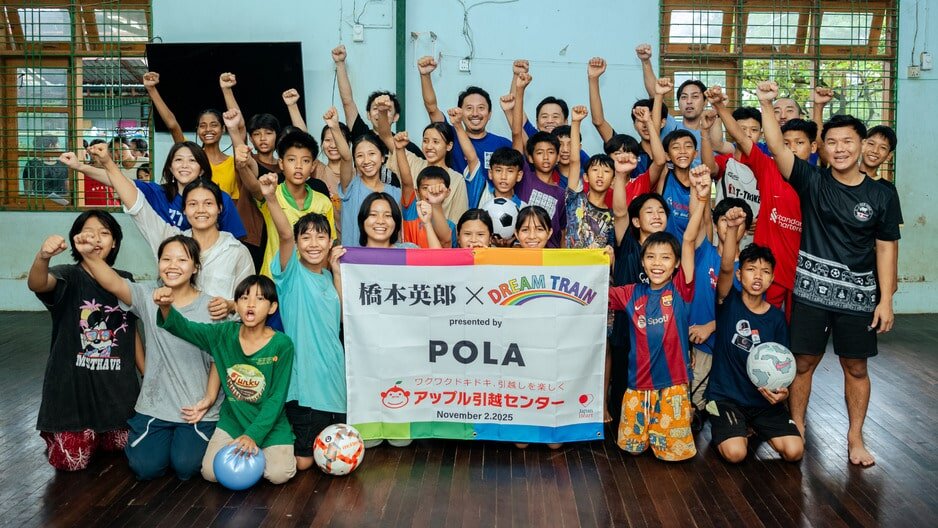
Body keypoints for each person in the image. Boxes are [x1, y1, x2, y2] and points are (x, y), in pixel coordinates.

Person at [758, 80, 901, 467]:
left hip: (858, 298)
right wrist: (766, 103)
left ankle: (855, 437)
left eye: (848, 142)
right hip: (811, 294)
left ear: (861, 146)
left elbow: (887, 247)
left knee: (856, 367)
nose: (840, 149)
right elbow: (775, 146)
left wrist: (886, 299)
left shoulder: (882, 194)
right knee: (803, 363)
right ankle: (799, 427)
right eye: (832, 142)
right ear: (822, 146)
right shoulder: (812, 181)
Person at [75, 233, 222, 480]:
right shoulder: (147, 296)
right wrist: (89, 255)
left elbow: (219, 358)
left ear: (195, 266)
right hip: (156, 406)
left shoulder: (212, 308)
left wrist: (208, 400)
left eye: (181, 260)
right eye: (166, 259)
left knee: (185, 466)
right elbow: (113, 282)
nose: (172, 266)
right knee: (146, 468)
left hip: (196, 409)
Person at [607, 165, 711, 461]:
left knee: (672, 458)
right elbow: (593, 293)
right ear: (642, 261)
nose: (657, 263)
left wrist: (701, 199)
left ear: (677, 264)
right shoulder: (630, 293)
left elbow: (689, 239)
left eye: (665, 258)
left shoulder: (681, 288)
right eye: (651, 257)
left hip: (673, 387)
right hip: (637, 388)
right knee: (631, 450)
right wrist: (600, 264)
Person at [155, 275, 297, 485]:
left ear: (272, 307)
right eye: (244, 297)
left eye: (259, 299)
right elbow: (184, 328)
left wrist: (253, 436)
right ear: (236, 305)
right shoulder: (223, 334)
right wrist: (166, 307)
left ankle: (258, 457)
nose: (250, 304)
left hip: (271, 423)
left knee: (279, 474)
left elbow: (276, 398)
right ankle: (252, 461)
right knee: (210, 472)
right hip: (233, 421)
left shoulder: (282, 344)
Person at [27, 210, 140, 471]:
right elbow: (38, 283)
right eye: (90, 232)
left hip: (116, 396)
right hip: (71, 397)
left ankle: (99, 433)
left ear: (115, 242)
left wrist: (149, 377)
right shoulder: (68, 274)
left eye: (105, 233)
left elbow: (131, 334)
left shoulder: (125, 280)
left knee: (121, 449)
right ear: (78, 238)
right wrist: (43, 256)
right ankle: (63, 434)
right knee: (72, 463)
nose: (97, 239)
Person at [87, 143, 253, 316]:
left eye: (208, 203)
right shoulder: (170, 239)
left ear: (220, 208)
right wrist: (108, 162)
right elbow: (137, 205)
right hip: (174, 334)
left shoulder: (236, 251)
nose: (201, 210)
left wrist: (231, 305)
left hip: (220, 337)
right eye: (193, 204)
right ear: (184, 209)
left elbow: (249, 300)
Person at [261, 172, 346, 471]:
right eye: (305, 236)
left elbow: (342, 315)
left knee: (336, 453)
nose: (313, 243)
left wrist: (336, 271)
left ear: (330, 240)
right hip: (305, 387)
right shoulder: (290, 275)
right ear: (297, 243)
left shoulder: (327, 276)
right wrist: (271, 197)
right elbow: (283, 234)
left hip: (335, 381)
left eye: (320, 236)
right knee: (306, 462)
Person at [707, 208, 803, 464]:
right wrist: (732, 232)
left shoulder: (776, 317)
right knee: (736, 454)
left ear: (772, 279)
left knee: (795, 451)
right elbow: (726, 266)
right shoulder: (729, 302)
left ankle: (752, 427)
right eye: (751, 269)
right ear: (741, 275)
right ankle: (729, 428)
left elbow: (785, 362)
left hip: (762, 402)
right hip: (726, 398)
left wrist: (783, 393)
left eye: (765, 271)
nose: (758, 276)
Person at [707, 86, 807, 319]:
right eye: (786, 144)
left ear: (811, 147)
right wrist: (720, 106)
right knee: (755, 322)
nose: (791, 149)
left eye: (799, 143)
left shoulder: (817, 181)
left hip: (801, 272)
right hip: (767, 269)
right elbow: (739, 138)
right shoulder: (768, 167)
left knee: (796, 338)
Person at [59, 141, 246, 239]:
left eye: (192, 160)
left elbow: (235, 241)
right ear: (170, 167)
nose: (184, 166)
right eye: (178, 160)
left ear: (202, 168)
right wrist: (79, 167)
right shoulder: (158, 193)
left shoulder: (220, 199)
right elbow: (116, 180)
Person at [231, 121, 336, 277]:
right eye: (292, 160)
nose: (299, 166)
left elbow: (329, 244)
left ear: (313, 166)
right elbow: (253, 186)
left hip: (309, 281)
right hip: (274, 280)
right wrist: (241, 166)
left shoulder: (323, 202)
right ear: (281, 163)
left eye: (305, 161)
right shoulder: (272, 193)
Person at [687, 198, 753, 418]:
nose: (729, 225)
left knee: (727, 411)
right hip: (701, 347)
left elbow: (748, 313)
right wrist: (700, 193)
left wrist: (712, 326)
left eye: (736, 222)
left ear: (745, 229)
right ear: (715, 225)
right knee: (695, 407)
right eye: (723, 220)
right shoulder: (703, 250)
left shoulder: (749, 269)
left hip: (730, 350)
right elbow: (695, 221)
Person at [372, 96, 469, 223]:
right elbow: (385, 136)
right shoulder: (413, 162)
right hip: (411, 237)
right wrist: (383, 111)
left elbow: (459, 220)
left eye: (436, 142)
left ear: (449, 146)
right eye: (425, 141)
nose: (429, 147)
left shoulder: (457, 179)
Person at [143, 71, 237, 200]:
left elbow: (235, 201)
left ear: (223, 129)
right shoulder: (191, 154)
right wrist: (151, 89)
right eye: (202, 125)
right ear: (197, 130)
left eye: (214, 125)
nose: (208, 129)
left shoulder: (234, 162)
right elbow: (172, 125)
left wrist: (227, 89)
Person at [417, 55, 512, 181]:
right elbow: (432, 108)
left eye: (481, 108)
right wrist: (425, 76)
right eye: (469, 108)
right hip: (454, 197)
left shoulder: (502, 144)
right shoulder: (450, 135)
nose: (475, 113)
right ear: (460, 113)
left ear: (490, 114)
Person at [636, 43, 730, 158]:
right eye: (684, 97)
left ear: (705, 102)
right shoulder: (670, 126)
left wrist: (718, 109)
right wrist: (646, 62)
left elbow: (720, 147)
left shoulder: (713, 134)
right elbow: (654, 94)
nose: (689, 101)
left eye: (695, 96)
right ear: (679, 102)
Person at [508, 72, 566, 248]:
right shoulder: (524, 175)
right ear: (530, 158)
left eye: (550, 152)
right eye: (540, 152)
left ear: (558, 157)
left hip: (551, 258)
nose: (546, 157)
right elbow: (517, 132)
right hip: (523, 253)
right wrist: (520, 90)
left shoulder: (562, 193)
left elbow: (562, 232)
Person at [587, 56, 669, 177]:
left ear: (663, 122)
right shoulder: (627, 149)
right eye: (640, 119)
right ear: (634, 125)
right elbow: (598, 121)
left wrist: (658, 95)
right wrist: (593, 79)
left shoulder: (670, 152)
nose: (645, 123)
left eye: (649, 118)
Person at [563, 105, 616, 251]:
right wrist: (575, 123)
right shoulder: (575, 199)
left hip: (592, 272)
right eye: (595, 170)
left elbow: (611, 251)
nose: (600, 175)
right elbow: (574, 162)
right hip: (568, 269)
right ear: (585, 177)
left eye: (606, 171)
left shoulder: (612, 217)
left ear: (613, 181)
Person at [22, 134, 69, 202]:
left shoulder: (62, 164)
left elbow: (68, 189)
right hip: (41, 202)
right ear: (51, 146)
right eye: (57, 144)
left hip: (63, 202)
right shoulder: (32, 164)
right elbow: (28, 191)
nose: (59, 147)